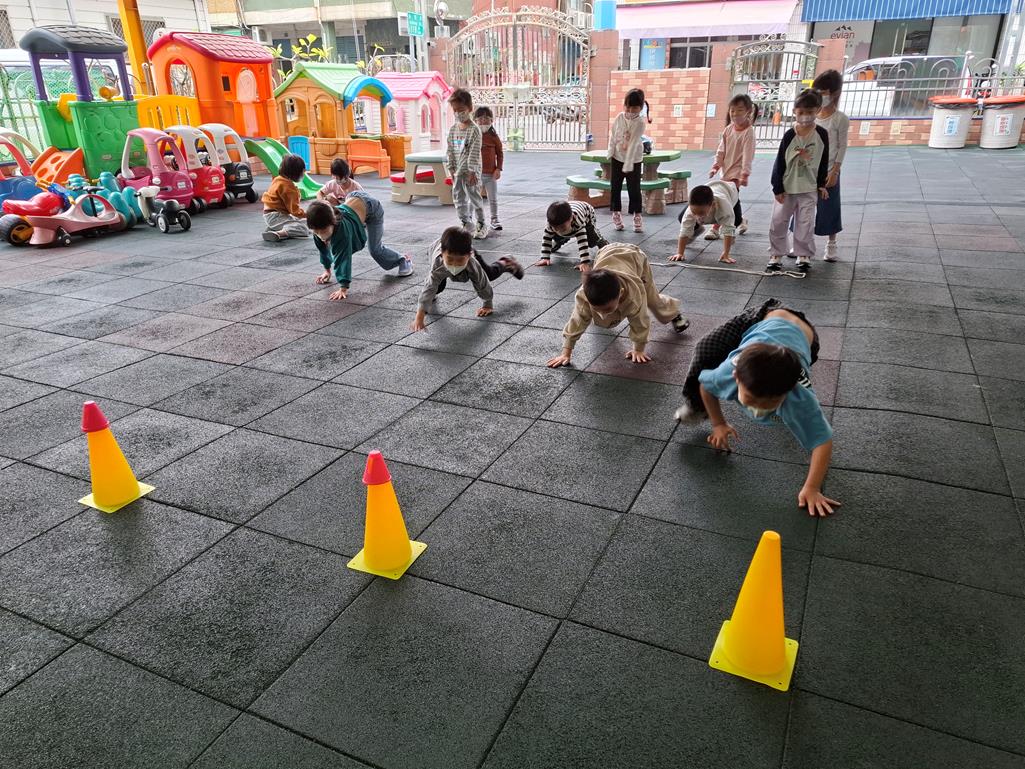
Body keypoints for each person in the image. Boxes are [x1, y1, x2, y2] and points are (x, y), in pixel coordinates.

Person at [674, 298, 839, 518]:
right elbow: (706, 386)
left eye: (770, 403)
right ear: (736, 378)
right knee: (704, 348)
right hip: (765, 316)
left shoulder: (799, 395)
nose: (759, 409)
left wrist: (812, 488)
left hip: (807, 337)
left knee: (789, 377)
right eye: (751, 399)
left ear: (789, 390)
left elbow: (822, 442)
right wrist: (718, 423)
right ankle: (696, 407)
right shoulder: (728, 372)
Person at [547, 243, 689, 368]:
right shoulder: (583, 296)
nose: (602, 314)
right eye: (596, 310)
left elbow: (640, 321)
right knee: (592, 309)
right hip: (606, 252)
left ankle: (673, 312)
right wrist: (566, 353)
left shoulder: (633, 296)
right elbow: (577, 321)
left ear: (621, 293)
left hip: (635, 257)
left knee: (651, 298)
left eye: (607, 309)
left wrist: (638, 349)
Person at [411, 226, 524, 331]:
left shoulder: (472, 262)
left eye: (460, 261)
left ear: (469, 255)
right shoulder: (438, 264)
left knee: (489, 274)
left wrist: (487, 304)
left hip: (464, 255)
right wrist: (420, 317)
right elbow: (429, 287)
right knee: (436, 286)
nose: (454, 264)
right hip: (438, 253)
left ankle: (505, 262)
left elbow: (482, 283)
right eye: (450, 260)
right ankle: (435, 291)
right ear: (442, 254)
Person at [306, 191, 413, 301]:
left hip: (372, 208)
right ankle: (357, 223)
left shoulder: (342, 230)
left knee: (375, 250)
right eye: (316, 232)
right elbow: (323, 251)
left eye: (324, 231)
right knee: (334, 243)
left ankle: (403, 260)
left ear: (333, 223)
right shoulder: (318, 225)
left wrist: (343, 288)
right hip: (354, 200)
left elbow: (343, 258)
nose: (321, 236)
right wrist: (327, 271)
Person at [768, 89, 829, 273]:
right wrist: (777, 187)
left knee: (806, 222)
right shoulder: (789, 135)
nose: (805, 116)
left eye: (809, 112)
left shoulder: (821, 134)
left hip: (809, 187)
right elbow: (780, 161)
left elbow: (823, 160)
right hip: (787, 187)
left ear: (818, 110)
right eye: (801, 112)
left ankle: (803, 254)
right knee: (779, 221)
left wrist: (821, 185)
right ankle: (776, 254)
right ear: (794, 111)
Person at [703, 93, 756, 241]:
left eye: (740, 110)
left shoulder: (749, 132)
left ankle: (715, 228)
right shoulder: (728, 129)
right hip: (726, 171)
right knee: (732, 200)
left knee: (724, 198)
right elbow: (721, 150)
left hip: (737, 174)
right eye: (732, 110)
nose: (735, 114)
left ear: (748, 111)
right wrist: (716, 166)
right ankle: (741, 220)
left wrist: (744, 174)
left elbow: (748, 155)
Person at [811, 69, 848, 262]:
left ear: (834, 93)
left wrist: (835, 171)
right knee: (803, 206)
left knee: (830, 207)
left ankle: (831, 243)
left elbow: (842, 146)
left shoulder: (839, 119)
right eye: (817, 91)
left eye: (823, 92)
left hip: (829, 171)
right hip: (809, 170)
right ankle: (801, 240)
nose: (819, 95)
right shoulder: (811, 115)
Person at [607, 88, 651, 233]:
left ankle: (637, 215)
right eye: (628, 107)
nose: (631, 110)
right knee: (615, 187)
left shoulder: (640, 123)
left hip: (634, 159)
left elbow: (632, 144)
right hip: (617, 157)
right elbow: (613, 135)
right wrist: (610, 152)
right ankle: (616, 213)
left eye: (635, 108)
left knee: (634, 188)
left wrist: (628, 164)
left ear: (641, 107)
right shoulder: (619, 117)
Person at [446, 88, 487, 239]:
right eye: (455, 110)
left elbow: (474, 153)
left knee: (474, 197)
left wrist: (472, 171)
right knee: (458, 198)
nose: (458, 113)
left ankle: (481, 224)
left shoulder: (474, 130)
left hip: (471, 172)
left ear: (470, 108)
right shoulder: (453, 130)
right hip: (457, 171)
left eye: (461, 110)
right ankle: (466, 223)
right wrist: (451, 167)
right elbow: (450, 150)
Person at [671, 182, 742, 264]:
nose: (697, 217)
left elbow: (728, 229)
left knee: (736, 222)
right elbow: (684, 229)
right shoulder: (691, 209)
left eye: (701, 213)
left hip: (730, 192)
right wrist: (680, 253)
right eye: (694, 212)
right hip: (710, 190)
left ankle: (742, 220)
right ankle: (698, 228)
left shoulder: (724, 206)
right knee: (682, 217)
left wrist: (726, 254)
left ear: (713, 204)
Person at [537, 200, 609, 272]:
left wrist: (585, 262)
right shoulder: (551, 224)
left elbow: (582, 242)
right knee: (557, 235)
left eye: (562, 227)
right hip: (570, 213)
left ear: (571, 218)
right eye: (555, 228)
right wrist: (545, 258)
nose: (559, 230)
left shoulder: (578, 222)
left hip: (587, 213)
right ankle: (562, 239)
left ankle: (600, 241)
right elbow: (546, 238)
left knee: (592, 239)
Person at [262, 153, 310, 241]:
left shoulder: (278, 179)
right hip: (276, 216)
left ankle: (274, 229)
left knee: (304, 222)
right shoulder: (289, 188)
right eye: (303, 171)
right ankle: (280, 233)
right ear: (298, 172)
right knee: (303, 229)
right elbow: (295, 211)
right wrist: (309, 214)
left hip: (271, 215)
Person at [475, 106, 504, 232]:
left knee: (493, 198)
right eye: (480, 118)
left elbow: (500, 153)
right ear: (475, 120)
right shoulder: (473, 135)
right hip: (475, 174)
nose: (483, 121)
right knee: (474, 199)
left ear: (492, 120)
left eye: (486, 118)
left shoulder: (493, 136)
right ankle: (477, 221)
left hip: (490, 174)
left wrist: (498, 169)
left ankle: (494, 219)